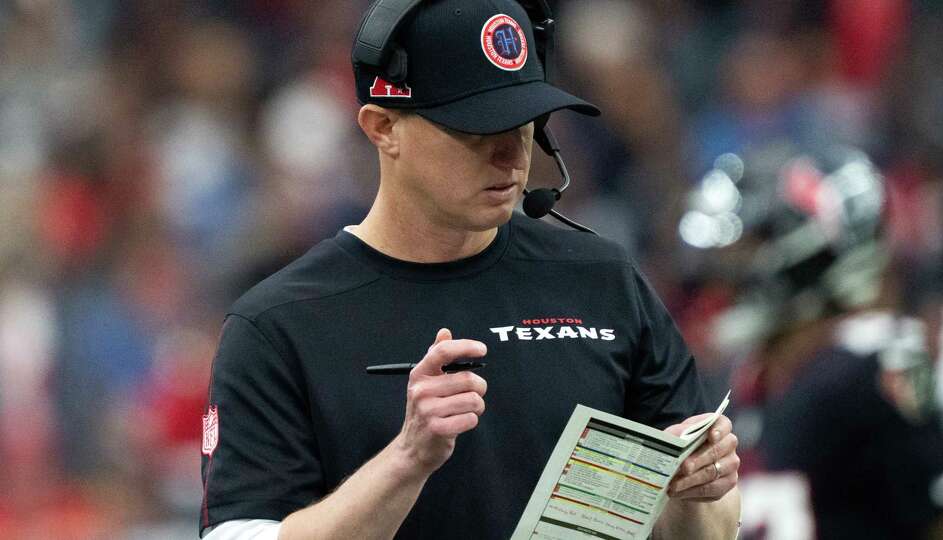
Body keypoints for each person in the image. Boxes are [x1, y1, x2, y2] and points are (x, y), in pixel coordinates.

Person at [200, 1, 741, 538]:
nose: (511, 157)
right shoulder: (278, 325)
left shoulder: (602, 279)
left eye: (525, 124)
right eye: (476, 131)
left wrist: (697, 488)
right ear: (383, 126)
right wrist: (406, 460)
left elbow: (711, 530)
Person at [678, 146, 943, 538]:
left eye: (755, 246)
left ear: (819, 250)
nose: (726, 276)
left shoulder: (877, 365)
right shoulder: (749, 375)